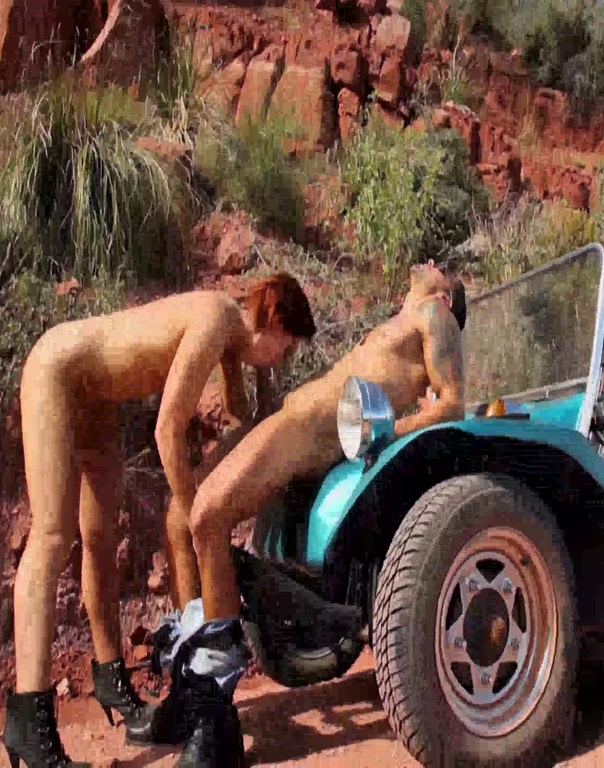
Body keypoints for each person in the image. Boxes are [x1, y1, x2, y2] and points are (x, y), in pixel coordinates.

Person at [149, 261, 468, 766]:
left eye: (440, 270)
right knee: (186, 520)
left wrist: (386, 432)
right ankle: (195, 693)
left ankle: (215, 720)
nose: (430, 264)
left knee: (206, 517)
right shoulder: (401, 318)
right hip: (297, 418)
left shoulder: (436, 315)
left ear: (445, 295)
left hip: (314, 430)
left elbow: (451, 404)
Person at [1, 274, 317, 768]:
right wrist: (196, 518)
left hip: (96, 398)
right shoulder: (215, 318)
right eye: (288, 347)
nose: (284, 359)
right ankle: (29, 720)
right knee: (52, 536)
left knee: (99, 538)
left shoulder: (232, 340)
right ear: (275, 323)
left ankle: (110, 677)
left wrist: (262, 389)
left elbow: (244, 419)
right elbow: (167, 431)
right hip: (58, 371)